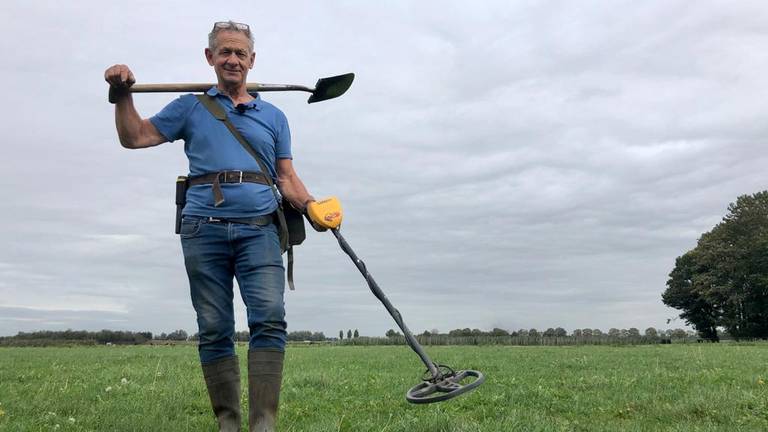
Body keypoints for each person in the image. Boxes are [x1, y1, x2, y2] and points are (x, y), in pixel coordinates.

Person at [105, 21, 322, 432]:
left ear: (252, 61)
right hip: (202, 229)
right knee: (214, 327)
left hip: (260, 230)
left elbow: (286, 177)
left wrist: (313, 207)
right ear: (210, 58)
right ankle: (228, 424)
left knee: (270, 318)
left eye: (240, 53)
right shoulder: (190, 107)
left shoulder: (274, 116)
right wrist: (122, 96)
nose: (233, 60)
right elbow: (134, 137)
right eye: (225, 52)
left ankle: (263, 425)